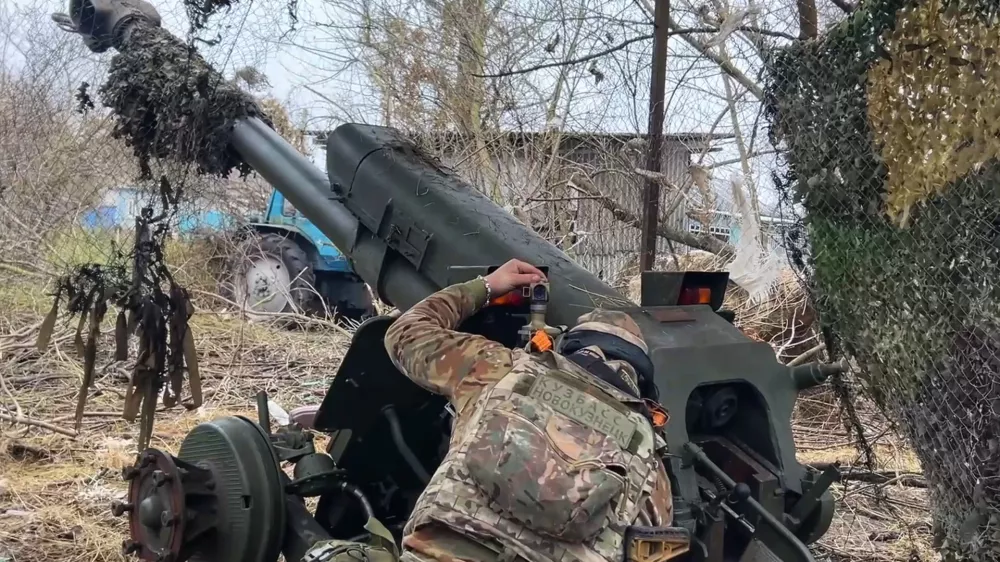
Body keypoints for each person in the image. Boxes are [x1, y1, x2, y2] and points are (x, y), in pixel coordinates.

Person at [384, 258, 687, 562]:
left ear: (566, 346)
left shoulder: (500, 369)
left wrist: (487, 287)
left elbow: (405, 333)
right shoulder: (650, 464)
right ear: (640, 381)